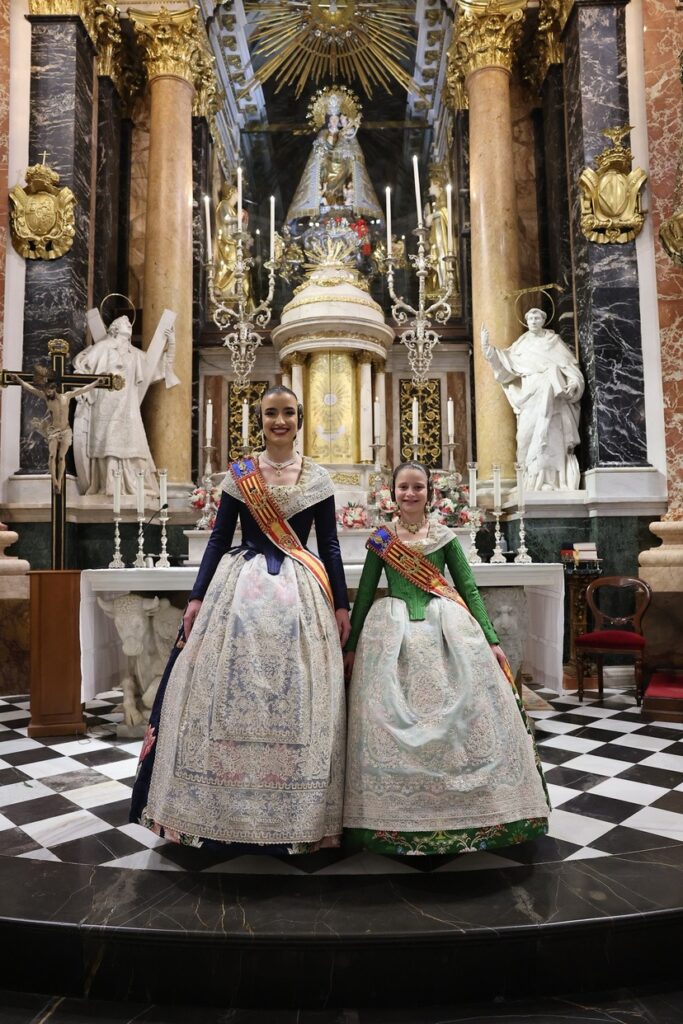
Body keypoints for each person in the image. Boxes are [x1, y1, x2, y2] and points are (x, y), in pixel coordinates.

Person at [130, 386, 351, 853]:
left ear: (300, 417)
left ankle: (301, 813)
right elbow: (216, 540)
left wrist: (341, 604)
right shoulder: (241, 475)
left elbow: (328, 544)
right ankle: (213, 811)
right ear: (260, 419)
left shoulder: (318, 478)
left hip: (301, 593)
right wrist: (195, 598)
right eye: (271, 413)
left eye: (288, 413)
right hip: (239, 586)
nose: (280, 421)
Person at [342, 462, 549, 856]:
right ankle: (387, 814)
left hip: (446, 627)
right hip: (392, 632)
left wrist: (490, 640)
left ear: (429, 493)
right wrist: (351, 647)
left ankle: (478, 809)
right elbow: (366, 593)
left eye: (417, 487)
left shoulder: (445, 537)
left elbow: (469, 590)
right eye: (403, 487)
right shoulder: (382, 539)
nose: (410, 494)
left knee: (465, 707)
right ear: (392, 493)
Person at [481, 309, 585, 491]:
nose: (533, 321)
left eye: (537, 318)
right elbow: (505, 364)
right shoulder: (521, 345)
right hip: (530, 396)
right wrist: (488, 349)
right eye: (530, 318)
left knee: (550, 437)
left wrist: (574, 383)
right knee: (524, 437)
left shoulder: (554, 342)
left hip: (553, 396)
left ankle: (550, 481)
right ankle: (528, 479)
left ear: (544, 320)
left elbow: (571, 368)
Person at [73, 315, 169, 497]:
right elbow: (83, 368)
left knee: (133, 438)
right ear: (114, 328)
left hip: (128, 404)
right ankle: (109, 485)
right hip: (106, 402)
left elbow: (159, 368)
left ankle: (132, 484)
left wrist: (170, 344)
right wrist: (82, 390)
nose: (129, 325)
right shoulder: (103, 347)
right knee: (109, 438)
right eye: (125, 323)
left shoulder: (134, 353)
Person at [8, 367, 112, 494]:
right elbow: (30, 388)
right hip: (53, 430)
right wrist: (18, 380)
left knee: (61, 457)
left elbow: (84, 389)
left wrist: (96, 383)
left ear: (54, 389)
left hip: (66, 430)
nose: (47, 393)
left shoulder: (66, 397)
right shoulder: (46, 398)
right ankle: (55, 482)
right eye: (46, 391)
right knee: (52, 455)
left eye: (49, 390)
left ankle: (60, 480)